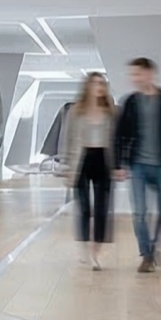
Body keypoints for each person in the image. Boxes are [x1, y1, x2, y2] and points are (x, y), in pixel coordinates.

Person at [112, 56, 161, 273]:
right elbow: (119, 135)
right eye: (132, 74)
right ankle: (146, 255)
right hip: (138, 165)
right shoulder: (130, 102)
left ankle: (155, 247)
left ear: (149, 74)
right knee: (139, 212)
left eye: (137, 73)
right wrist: (118, 164)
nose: (134, 78)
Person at [61, 71, 116, 269]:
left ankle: (96, 253)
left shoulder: (110, 111)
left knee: (102, 209)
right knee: (84, 208)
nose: (98, 87)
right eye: (94, 83)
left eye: (101, 84)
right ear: (87, 87)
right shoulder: (76, 110)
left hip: (103, 160)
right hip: (81, 160)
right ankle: (83, 246)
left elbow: (116, 140)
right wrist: (67, 165)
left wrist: (117, 165)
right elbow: (68, 139)